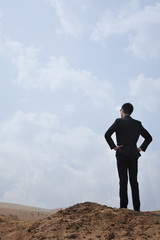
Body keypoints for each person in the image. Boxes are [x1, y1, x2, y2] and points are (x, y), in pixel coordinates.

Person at [104, 103, 152, 211]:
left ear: (122, 111)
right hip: (133, 154)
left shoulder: (118, 121)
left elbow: (107, 135)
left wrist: (114, 147)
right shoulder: (137, 123)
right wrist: (140, 148)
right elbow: (149, 138)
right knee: (134, 181)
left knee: (123, 181)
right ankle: (137, 208)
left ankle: (123, 208)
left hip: (121, 154)